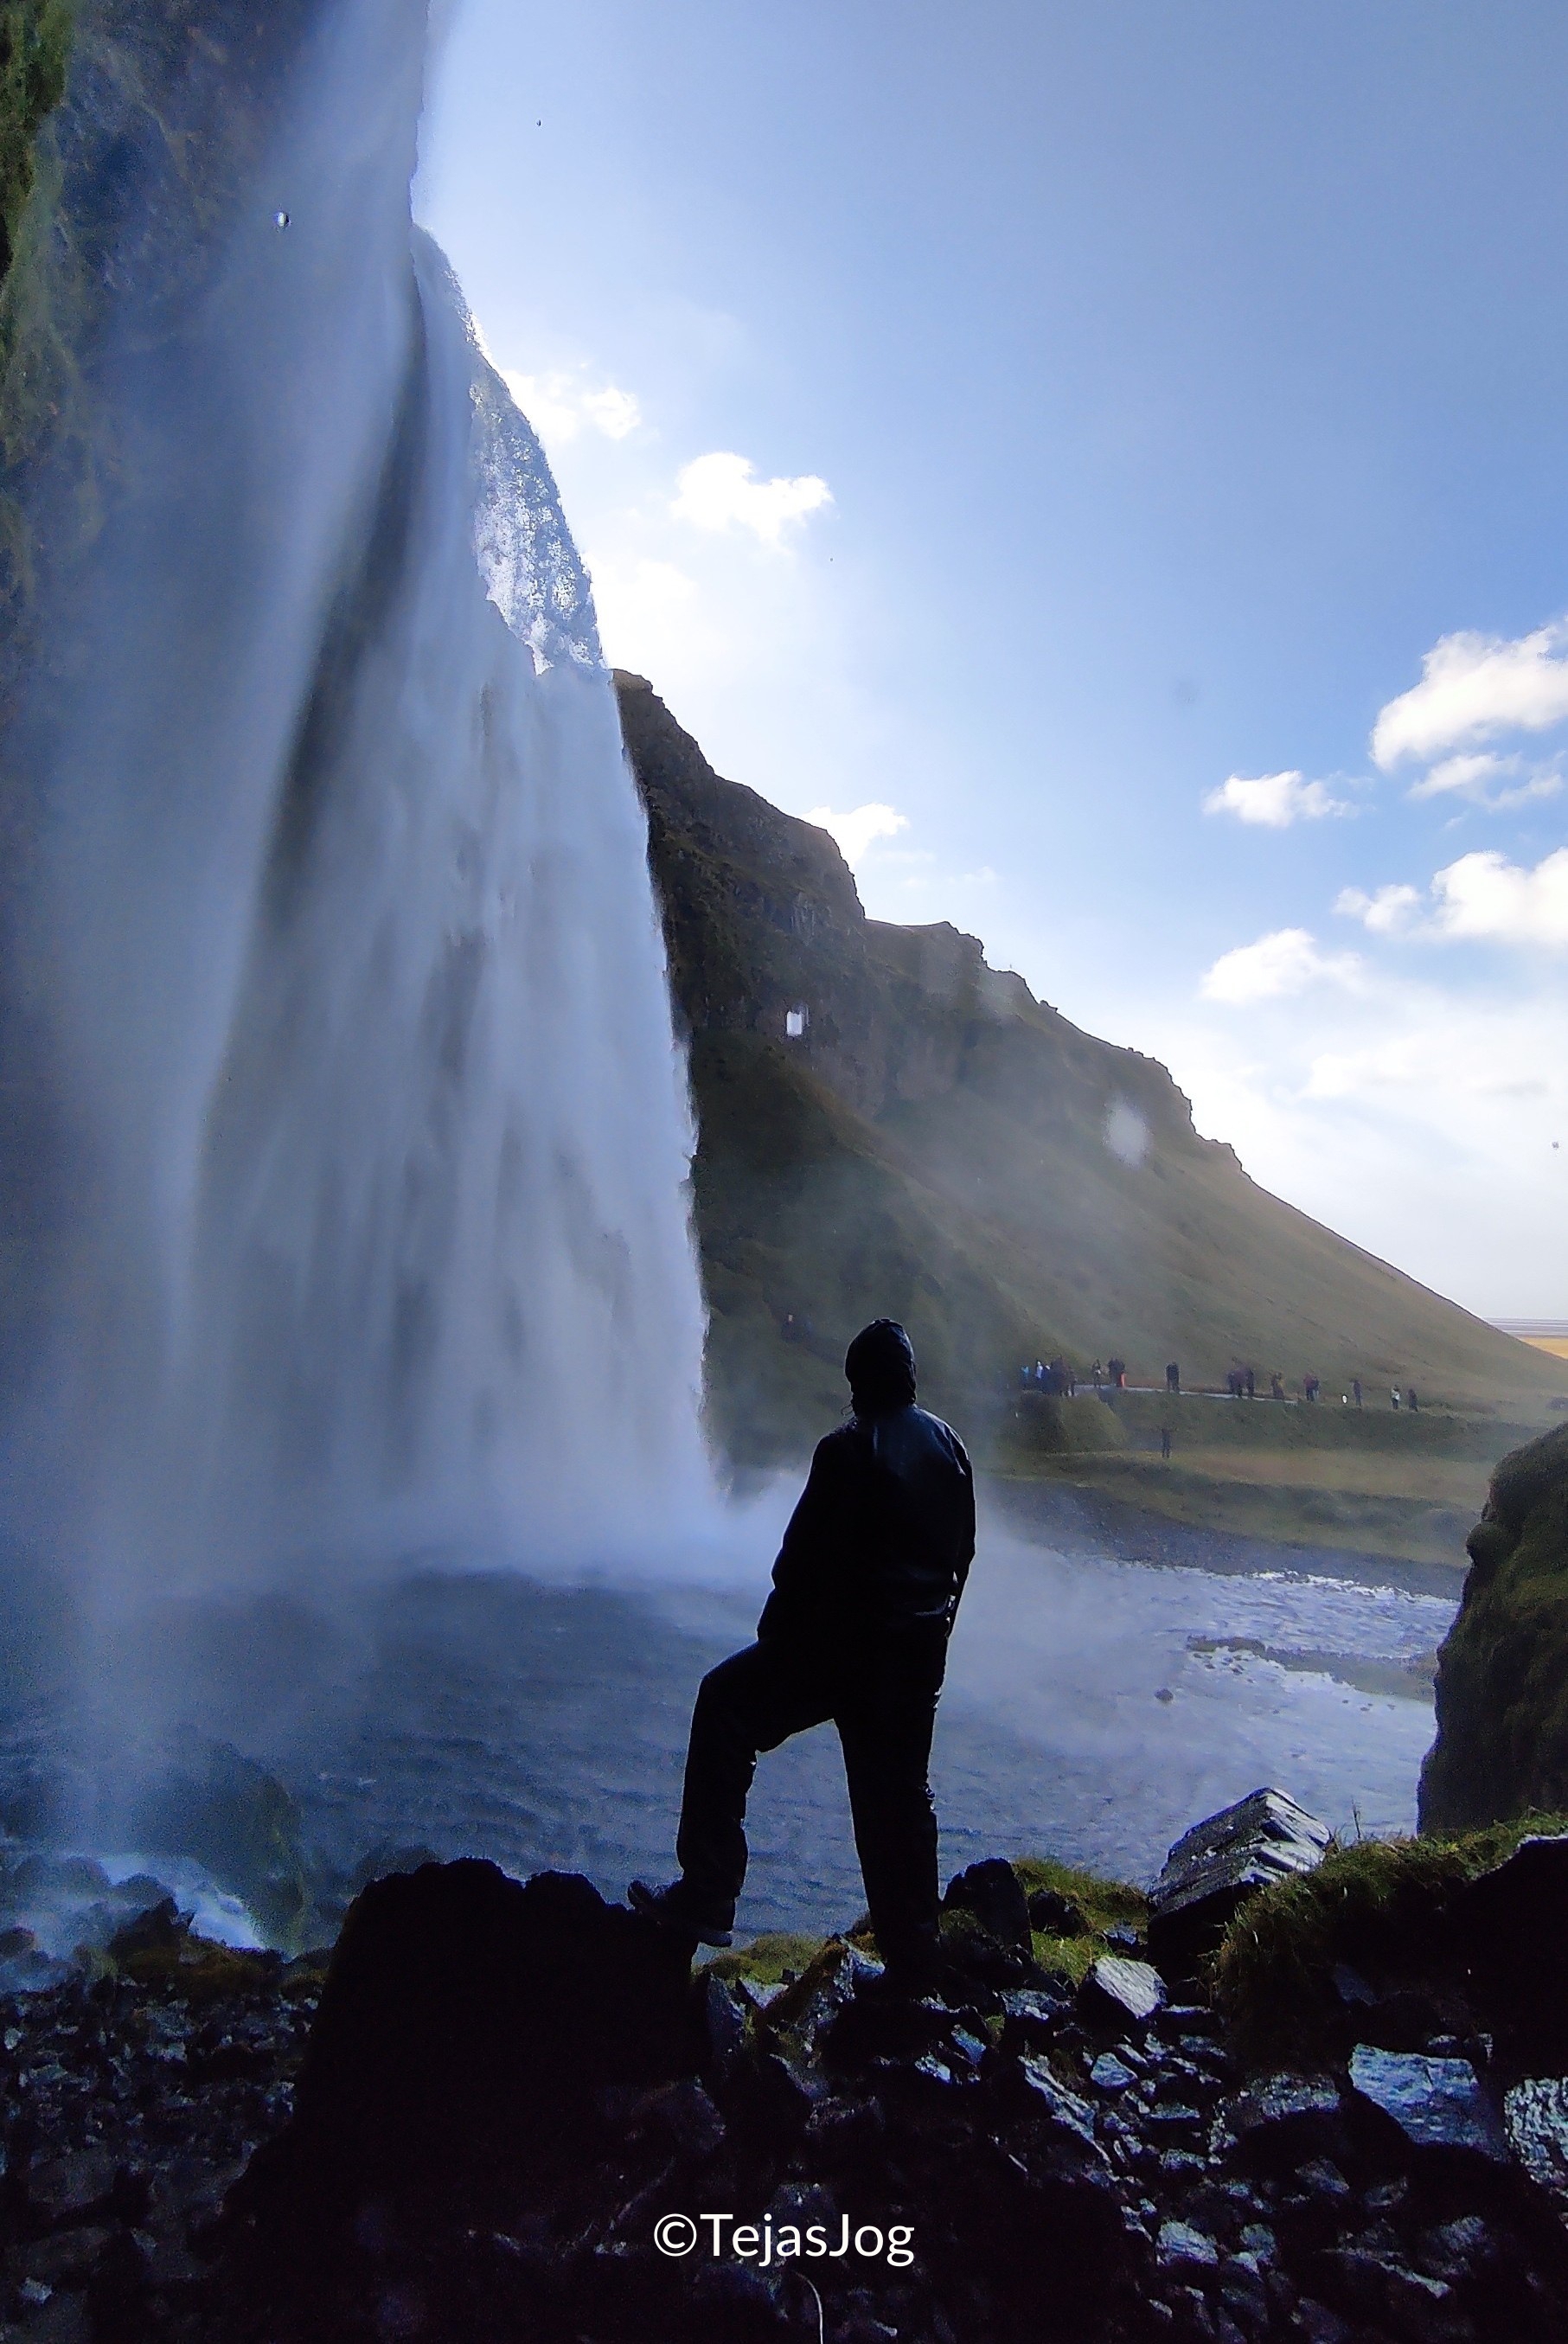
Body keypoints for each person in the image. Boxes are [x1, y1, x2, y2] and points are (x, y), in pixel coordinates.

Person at [630, 1320, 976, 1995]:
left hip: (841, 1656)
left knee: (725, 1704)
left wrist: (778, 1639)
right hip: (914, 1660)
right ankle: (915, 1965)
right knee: (899, 1801)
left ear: (858, 1384)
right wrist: (933, 1638)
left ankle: (707, 1893)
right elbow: (961, 1555)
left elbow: (801, 1564)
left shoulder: (846, 1449)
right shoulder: (950, 1445)